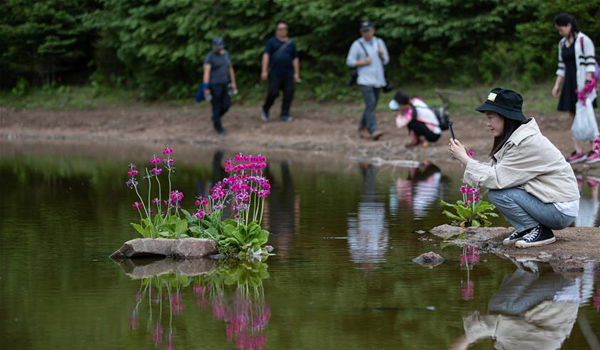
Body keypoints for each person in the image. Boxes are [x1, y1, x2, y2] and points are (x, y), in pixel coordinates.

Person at [449, 88, 579, 248]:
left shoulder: (525, 143)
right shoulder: (516, 138)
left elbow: (495, 179)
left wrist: (464, 158)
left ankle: (538, 231)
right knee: (500, 190)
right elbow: (498, 172)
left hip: (560, 210)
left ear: (506, 116)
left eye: (490, 118)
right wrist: (468, 159)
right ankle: (527, 229)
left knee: (498, 193)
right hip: (552, 202)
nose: (487, 124)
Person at [551, 13, 599, 163]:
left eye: (561, 29)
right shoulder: (561, 44)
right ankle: (578, 150)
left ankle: (595, 148)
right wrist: (557, 85)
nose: (560, 32)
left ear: (568, 26)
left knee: (587, 114)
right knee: (573, 115)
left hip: (583, 84)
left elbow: (591, 64)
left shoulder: (584, 41)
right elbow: (561, 67)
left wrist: (587, 86)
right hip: (569, 84)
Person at [346, 20, 390, 141]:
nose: (367, 33)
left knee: (372, 105)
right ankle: (373, 129)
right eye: (364, 31)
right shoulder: (357, 44)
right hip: (364, 79)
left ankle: (362, 127)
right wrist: (362, 62)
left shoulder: (379, 42)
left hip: (378, 79)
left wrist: (381, 55)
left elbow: (386, 60)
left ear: (373, 30)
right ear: (361, 33)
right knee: (370, 104)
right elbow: (349, 61)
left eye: (368, 30)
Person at [261, 21, 300, 123]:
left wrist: (296, 73)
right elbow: (266, 55)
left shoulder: (291, 44)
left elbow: (295, 58)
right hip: (275, 73)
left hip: (288, 73)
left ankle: (285, 114)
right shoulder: (271, 42)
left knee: (289, 93)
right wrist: (264, 71)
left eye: (285, 29)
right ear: (277, 31)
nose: (283, 31)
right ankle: (266, 109)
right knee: (273, 92)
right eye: (281, 29)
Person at [203, 37, 237, 136]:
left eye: (220, 47)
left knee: (227, 104)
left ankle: (215, 117)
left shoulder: (226, 54)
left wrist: (233, 82)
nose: (219, 49)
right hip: (214, 85)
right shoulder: (210, 57)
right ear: (213, 46)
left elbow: (230, 68)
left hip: (225, 83)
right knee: (216, 106)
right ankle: (219, 127)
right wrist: (205, 88)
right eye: (217, 47)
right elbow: (206, 73)